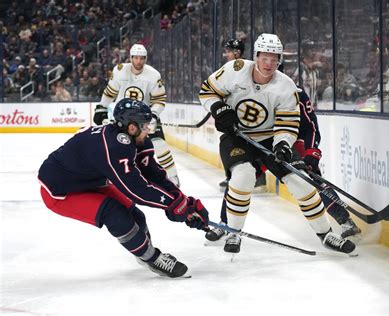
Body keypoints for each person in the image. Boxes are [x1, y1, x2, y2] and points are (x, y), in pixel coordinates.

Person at [199, 33, 356, 255]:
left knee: (301, 183)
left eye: (274, 59)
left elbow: (287, 125)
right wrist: (217, 107)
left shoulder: (286, 86)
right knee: (242, 176)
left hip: (270, 138)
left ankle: (325, 234)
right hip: (237, 136)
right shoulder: (235, 69)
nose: (269, 63)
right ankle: (234, 232)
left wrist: (283, 144)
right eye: (265, 57)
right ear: (256, 56)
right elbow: (207, 91)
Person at [38, 99, 209, 278]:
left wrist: (184, 202)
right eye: (145, 126)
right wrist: (174, 205)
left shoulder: (135, 140)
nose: (149, 130)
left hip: (88, 181)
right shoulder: (114, 146)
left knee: (136, 216)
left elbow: (154, 175)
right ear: (132, 127)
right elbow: (136, 189)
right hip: (60, 191)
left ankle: (144, 253)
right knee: (115, 215)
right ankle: (152, 258)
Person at [92, 44, 181, 187]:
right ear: (131, 58)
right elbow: (110, 93)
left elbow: (159, 100)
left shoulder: (153, 75)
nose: (139, 61)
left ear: (145, 59)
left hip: (144, 117)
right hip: (123, 118)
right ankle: (108, 177)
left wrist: (153, 115)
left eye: (142, 58)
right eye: (136, 58)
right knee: (115, 147)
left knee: (159, 144)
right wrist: (101, 107)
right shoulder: (120, 71)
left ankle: (173, 177)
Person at [293, 86, 361, 238]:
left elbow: (311, 126)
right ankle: (228, 223)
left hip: (295, 145)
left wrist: (310, 151)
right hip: (268, 143)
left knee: (313, 182)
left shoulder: (296, 93)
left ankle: (345, 221)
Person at [218, 38, 267, 193]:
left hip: (249, 116)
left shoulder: (245, 69)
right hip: (239, 115)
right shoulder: (232, 69)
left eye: (228, 51)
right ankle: (240, 176)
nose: (226, 54)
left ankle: (256, 177)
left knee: (251, 145)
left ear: (237, 52)